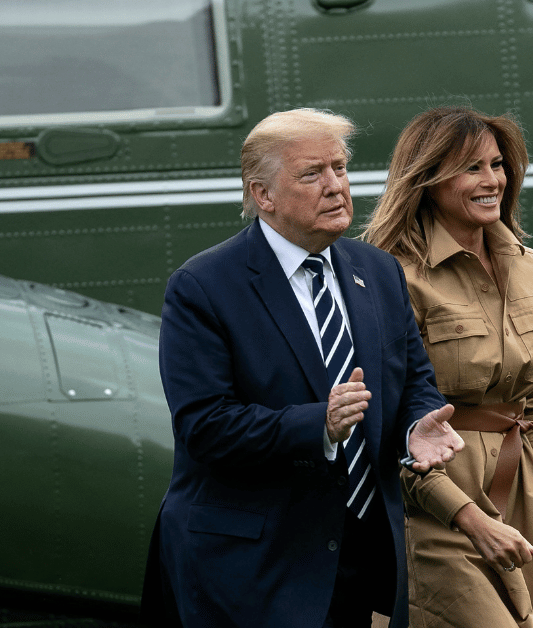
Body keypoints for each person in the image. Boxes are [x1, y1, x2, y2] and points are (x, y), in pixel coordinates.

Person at [141, 108, 465, 628]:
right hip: (253, 570)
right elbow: (204, 426)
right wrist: (319, 424)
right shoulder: (203, 286)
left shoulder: (377, 271)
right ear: (263, 195)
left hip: (363, 559)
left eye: (339, 168)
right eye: (313, 174)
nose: (335, 186)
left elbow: (413, 384)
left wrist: (415, 430)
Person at [361, 106, 533, 628]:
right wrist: (464, 515)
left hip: (525, 490)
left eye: (497, 164)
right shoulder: (390, 275)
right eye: (471, 167)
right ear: (428, 180)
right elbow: (385, 426)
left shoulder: (530, 265)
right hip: (436, 499)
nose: (492, 180)